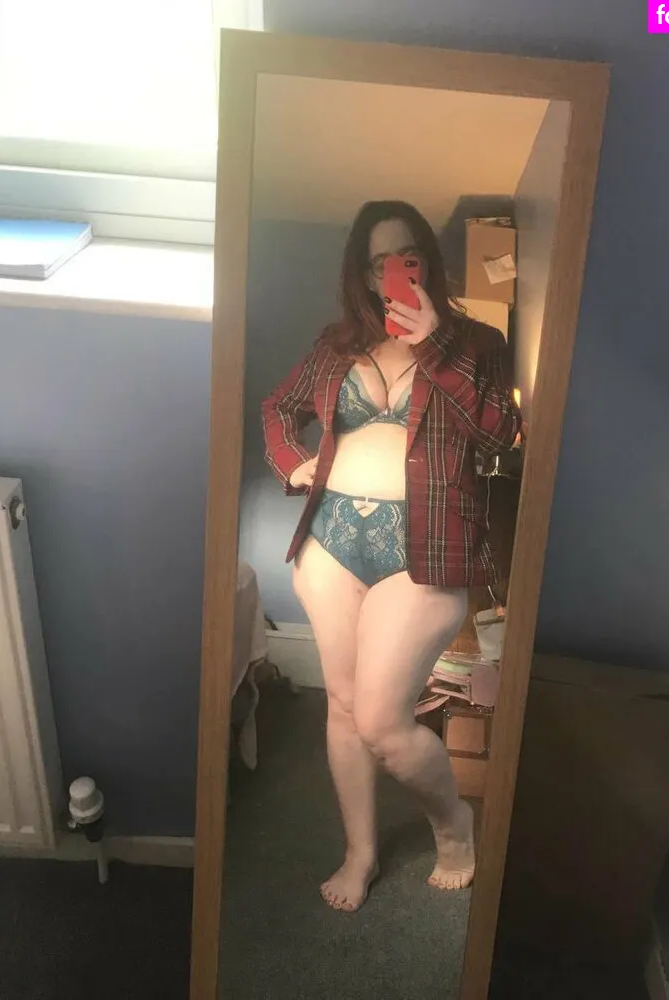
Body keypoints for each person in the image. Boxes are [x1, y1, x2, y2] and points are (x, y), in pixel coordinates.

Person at [261, 200, 521, 912]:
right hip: (331, 540)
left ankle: (453, 823)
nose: (393, 273)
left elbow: (500, 434)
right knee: (344, 706)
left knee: (381, 719)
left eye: (406, 256)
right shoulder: (336, 344)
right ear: (365, 272)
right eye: (378, 263)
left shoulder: (477, 342)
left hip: (424, 545)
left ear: (426, 260)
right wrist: (292, 464)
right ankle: (361, 851)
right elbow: (278, 409)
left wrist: (435, 347)